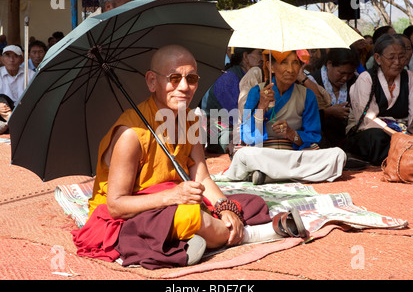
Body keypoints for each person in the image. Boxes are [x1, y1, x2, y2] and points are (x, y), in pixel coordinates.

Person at [72, 45, 290, 269]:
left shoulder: (189, 120)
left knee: (251, 203)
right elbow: (117, 206)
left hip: (172, 199)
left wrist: (225, 207)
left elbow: (202, 178)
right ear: (152, 82)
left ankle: (192, 238)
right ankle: (254, 234)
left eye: (192, 78)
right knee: (190, 216)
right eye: (174, 79)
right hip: (131, 212)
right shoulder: (130, 134)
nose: (184, 87)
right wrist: (171, 196)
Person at [223, 49, 346, 185]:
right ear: (271, 66)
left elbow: (313, 136)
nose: (290, 69)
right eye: (284, 63)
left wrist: (291, 133)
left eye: (295, 63)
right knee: (244, 155)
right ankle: (292, 175)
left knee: (338, 155)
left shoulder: (307, 95)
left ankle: (269, 176)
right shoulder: (256, 92)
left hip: (293, 155)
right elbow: (249, 137)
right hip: (264, 154)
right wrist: (262, 106)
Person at [345, 34, 413, 166]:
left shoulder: (409, 77)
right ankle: (400, 161)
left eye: (401, 56)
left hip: (404, 132)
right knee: (376, 138)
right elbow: (367, 120)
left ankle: (404, 157)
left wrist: (409, 136)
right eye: (391, 58)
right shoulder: (366, 78)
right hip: (372, 133)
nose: (397, 62)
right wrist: (396, 135)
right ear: (378, 58)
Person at [201, 48, 263, 154]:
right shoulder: (228, 78)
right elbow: (235, 115)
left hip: (238, 127)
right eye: (259, 54)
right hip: (218, 130)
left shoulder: (249, 77)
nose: (262, 58)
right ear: (245, 56)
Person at [307, 48, 359, 148]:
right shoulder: (312, 81)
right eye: (341, 73)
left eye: (349, 74)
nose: (345, 78)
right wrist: (327, 112)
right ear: (329, 64)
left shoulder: (355, 81)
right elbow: (305, 116)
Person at [0, 45, 35, 134]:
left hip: (23, 111)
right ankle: (14, 123)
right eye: (7, 55)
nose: (11, 60)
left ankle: (11, 125)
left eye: (15, 56)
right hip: (3, 112)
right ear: (2, 59)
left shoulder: (30, 75)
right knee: (1, 98)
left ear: (21, 60)